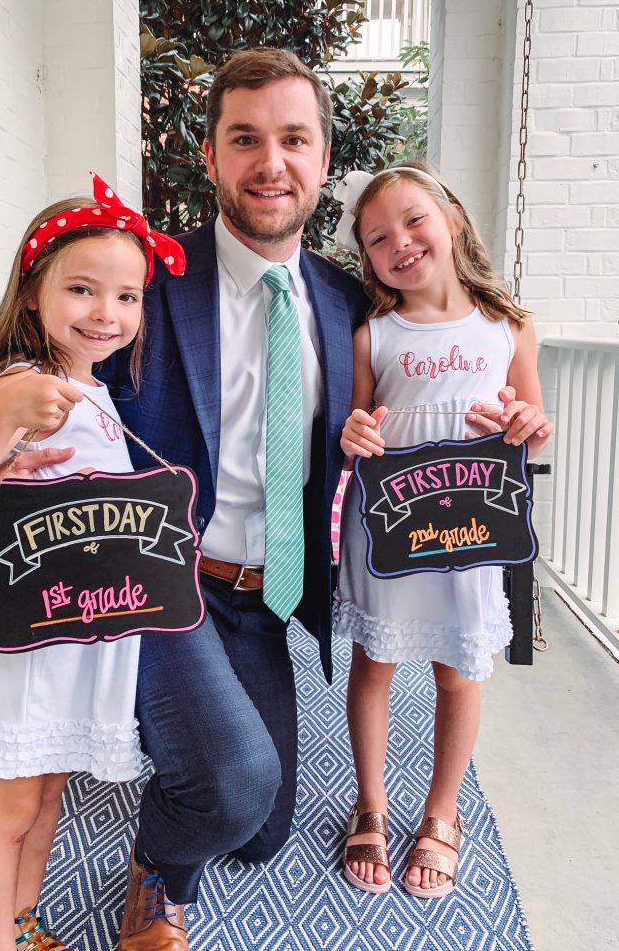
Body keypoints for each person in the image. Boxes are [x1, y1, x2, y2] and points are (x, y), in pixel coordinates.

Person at [93, 48, 369, 951]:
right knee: (232, 785)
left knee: (258, 832)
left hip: (266, 597)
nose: (270, 163)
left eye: (293, 139)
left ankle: (190, 745)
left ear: (323, 158)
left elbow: (443, 352)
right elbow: (52, 349)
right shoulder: (148, 284)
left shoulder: (346, 301)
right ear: (210, 156)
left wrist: (503, 411)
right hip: (165, 583)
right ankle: (154, 879)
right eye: (244, 139)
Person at [0, 174, 185, 951]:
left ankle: (24, 919)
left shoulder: (96, 391)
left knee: (49, 794)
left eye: (128, 296)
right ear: (34, 293)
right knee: (7, 813)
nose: (107, 312)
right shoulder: (21, 387)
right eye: (82, 289)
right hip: (27, 644)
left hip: (86, 638)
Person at [334, 163, 553, 899]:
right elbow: (356, 426)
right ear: (366, 257)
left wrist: (528, 425)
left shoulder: (509, 326)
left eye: (413, 220)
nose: (399, 242)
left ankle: (441, 814)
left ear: (452, 218)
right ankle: (370, 804)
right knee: (375, 664)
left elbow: (536, 428)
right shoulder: (374, 334)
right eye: (377, 237)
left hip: (472, 527)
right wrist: (354, 434)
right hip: (391, 526)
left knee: (458, 672)